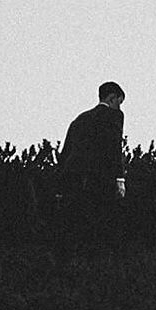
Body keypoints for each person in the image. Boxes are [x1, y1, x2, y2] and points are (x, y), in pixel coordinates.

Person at [57, 80, 126, 254]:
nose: (120, 107)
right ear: (112, 99)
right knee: (101, 221)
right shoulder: (114, 116)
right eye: (119, 101)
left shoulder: (80, 119)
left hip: (72, 175)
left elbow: (65, 152)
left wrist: (60, 182)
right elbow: (114, 146)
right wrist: (120, 179)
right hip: (99, 176)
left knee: (75, 223)